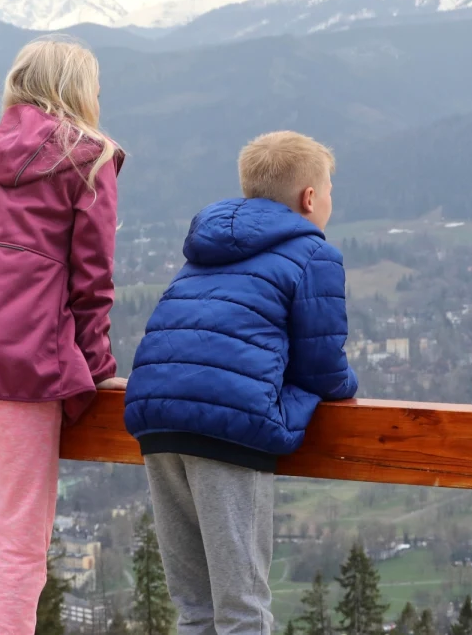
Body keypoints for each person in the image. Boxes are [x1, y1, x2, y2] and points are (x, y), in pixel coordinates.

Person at [0, 36, 125, 635]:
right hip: (24, 363)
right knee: (21, 545)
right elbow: (92, 279)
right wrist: (96, 367)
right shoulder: (90, 158)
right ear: (78, 89)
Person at [124, 130, 359, 635]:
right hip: (227, 427)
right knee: (242, 609)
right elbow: (323, 367)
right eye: (329, 191)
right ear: (310, 198)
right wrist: (342, 386)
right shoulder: (313, 254)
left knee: (196, 608)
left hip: (156, 418)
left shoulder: (205, 248)